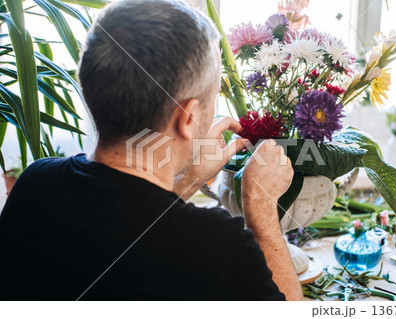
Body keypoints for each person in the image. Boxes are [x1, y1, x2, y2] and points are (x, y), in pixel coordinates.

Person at [0, 0, 302, 301]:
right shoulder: (217, 246)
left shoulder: (35, 185)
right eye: (211, 100)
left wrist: (188, 181)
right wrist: (259, 205)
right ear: (187, 118)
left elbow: (130, 235)